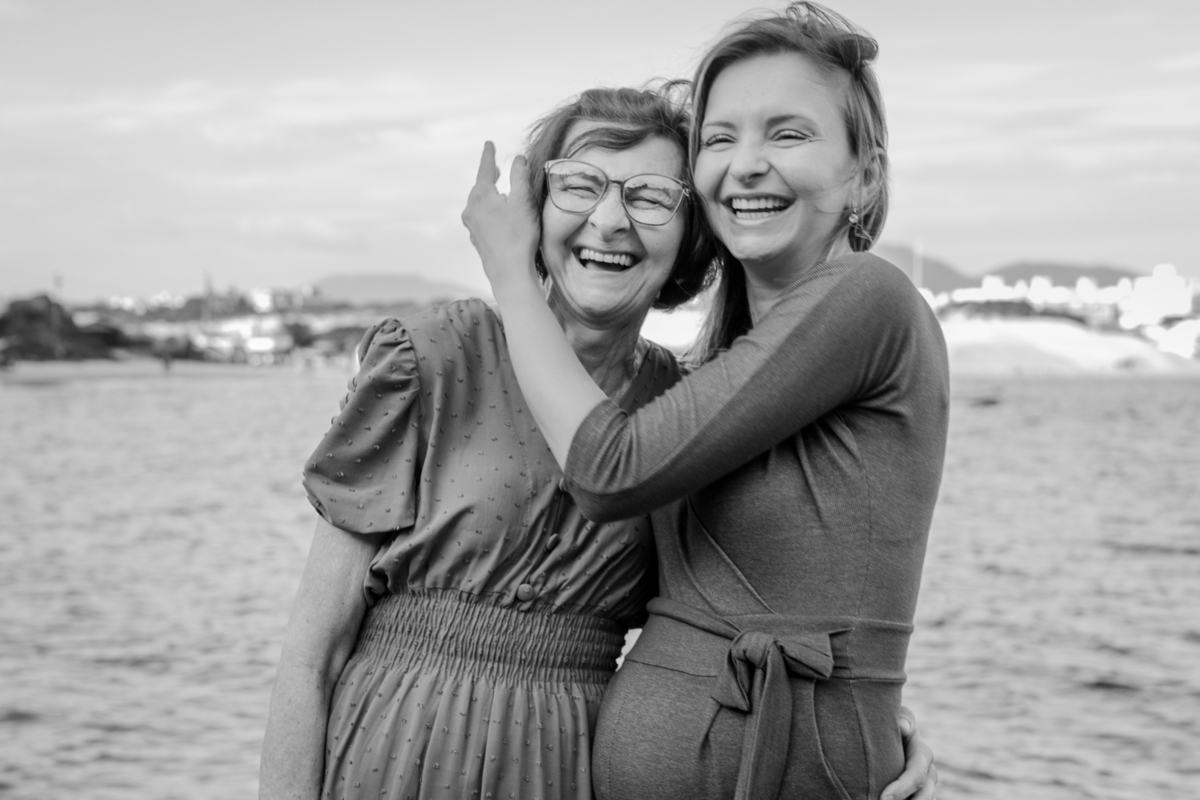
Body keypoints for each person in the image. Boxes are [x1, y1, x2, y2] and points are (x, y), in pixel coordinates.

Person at [262, 85, 934, 800]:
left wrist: (875, 724)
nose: (609, 222)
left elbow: (743, 614)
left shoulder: (683, 409)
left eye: (649, 197)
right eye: (580, 186)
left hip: (571, 765)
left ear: (691, 234)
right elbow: (312, 654)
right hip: (388, 751)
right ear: (534, 213)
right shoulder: (431, 357)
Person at [462, 4, 949, 800]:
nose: (746, 164)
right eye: (720, 139)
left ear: (865, 173)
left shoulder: (868, 296)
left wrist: (513, 273)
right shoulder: (718, 363)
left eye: (787, 134)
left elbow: (609, 473)